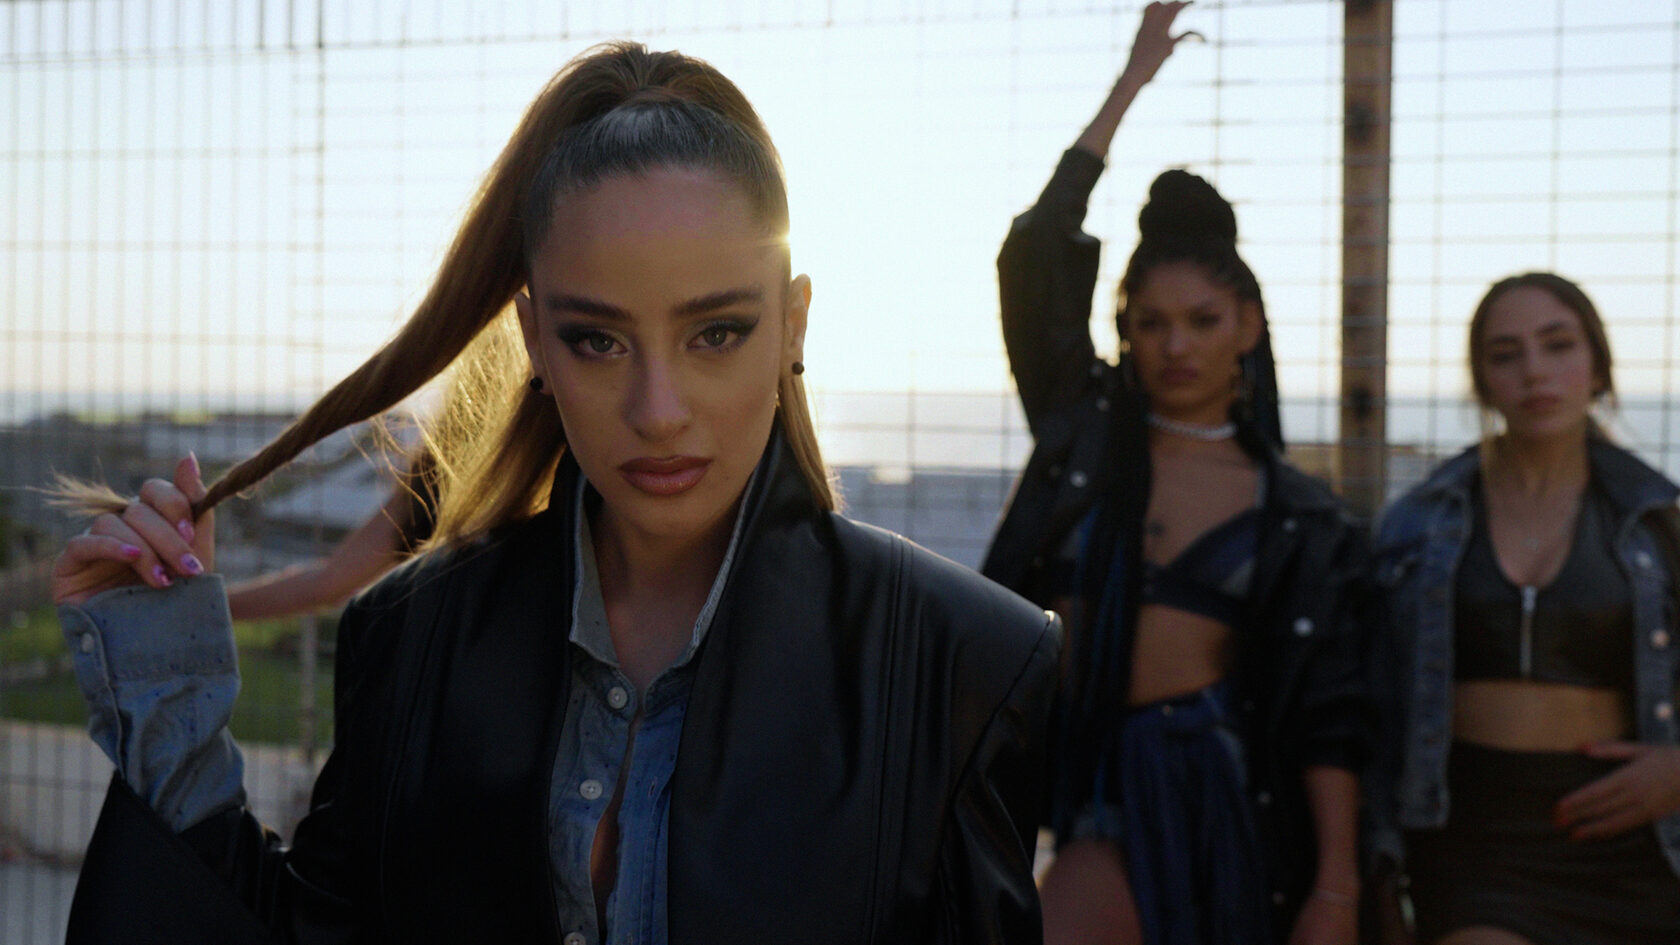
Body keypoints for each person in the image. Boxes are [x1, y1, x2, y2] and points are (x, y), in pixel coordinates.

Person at [50, 42, 1059, 944]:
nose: (659, 410)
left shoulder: (964, 665)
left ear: (793, 324)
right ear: (535, 340)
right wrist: (167, 692)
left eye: (716, 333)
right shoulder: (408, 640)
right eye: (598, 339)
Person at [980, 4, 1370, 944]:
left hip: (1211, 791)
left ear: (1248, 326)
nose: (1176, 345)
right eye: (1149, 322)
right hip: (1074, 776)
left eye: (1202, 320)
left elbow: (1329, 713)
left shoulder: (1294, 512)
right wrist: (1130, 82)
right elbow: (1035, 254)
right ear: (1123, 330)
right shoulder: (1085, 433)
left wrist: (1336, 888)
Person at [1369, 271, 1680, 945]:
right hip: (1475, 839)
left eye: (1558, 345)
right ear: (1482, 381)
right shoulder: (1418, 521)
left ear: (1597, 365)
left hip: (1633, 838)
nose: (1534, 371)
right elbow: (1370, 699)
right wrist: (1379, 859)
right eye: (1505, 354)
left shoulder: (1660, 520)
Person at [223, 445, 438, 621]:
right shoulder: (436, 469)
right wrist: (211, 604)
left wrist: (210, 605)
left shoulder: (436, 466)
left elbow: (326, 584)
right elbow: (325, 584)